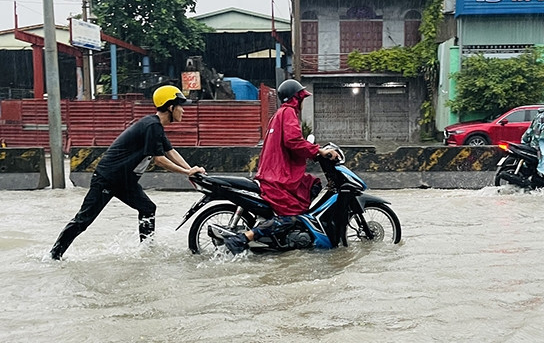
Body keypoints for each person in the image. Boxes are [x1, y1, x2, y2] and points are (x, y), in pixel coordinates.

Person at [49, 85, 206, 260]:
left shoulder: (155, 127)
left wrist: (192, 169)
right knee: (84, 220)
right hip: (108, 179)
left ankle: (146, 250)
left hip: (125, 181)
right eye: (180, 106)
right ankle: (54, 255)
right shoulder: (152, 126)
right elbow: (159, 160)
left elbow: (170, 151)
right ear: (170, 107)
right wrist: (187, 172)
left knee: (148, 208)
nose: (183, 111)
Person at [224, 79, 338, 255]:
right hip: (279, 176)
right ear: (296, 98)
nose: (302, 103)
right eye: (301, 99)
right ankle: (245, 237)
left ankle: (295, 230)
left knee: (312, 183)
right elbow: (293, 141)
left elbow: (291, 144)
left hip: (273, 172)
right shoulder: (289, 113)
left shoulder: (278, 114)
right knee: (291, 216)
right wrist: (319, 151)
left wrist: (315, 152)